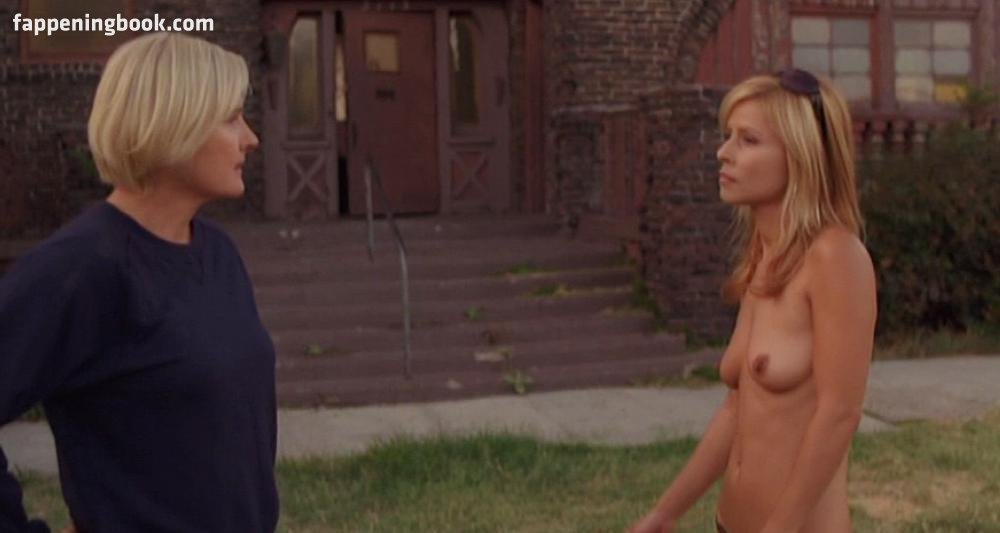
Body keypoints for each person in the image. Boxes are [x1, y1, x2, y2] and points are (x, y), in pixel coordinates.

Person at [0, 32, 277, 532]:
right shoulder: (82, 268)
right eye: (232, 118)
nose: (250, 138)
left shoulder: (219, 253)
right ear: (174, 123)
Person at [629, 69, 877, 533]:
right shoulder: (767, 253)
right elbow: (738, 407)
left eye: (748, 140)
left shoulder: (836, 257)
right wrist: (666, 512)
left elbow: (840, 415)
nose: (723, 152)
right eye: (728, 136)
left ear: (800, 156)